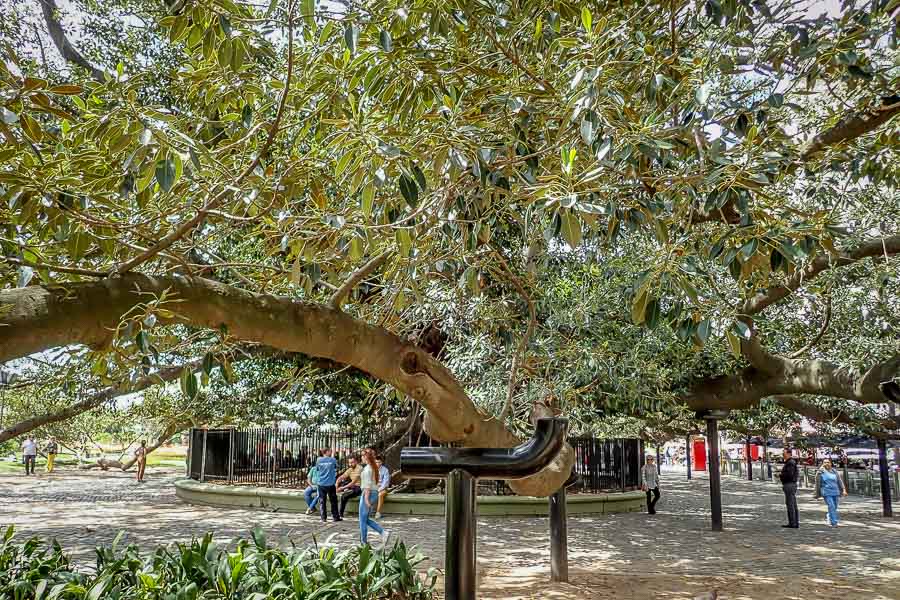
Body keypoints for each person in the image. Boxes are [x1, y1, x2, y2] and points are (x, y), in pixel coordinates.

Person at [358, 449, 390, 547]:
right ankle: (382, 533)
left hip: (368, 493)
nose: (361, 458)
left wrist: (366, 499)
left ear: (366, 457)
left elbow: (367, 486)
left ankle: (364, 542)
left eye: (362, 456)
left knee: (362, 520)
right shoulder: (373, 467)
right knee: (365, 519)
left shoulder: (368, 469)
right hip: (373, 492)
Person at [814, 458, 847, 527]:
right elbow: (817, 483)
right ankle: (834, 522)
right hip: (826, 492)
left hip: (835, 492)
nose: (827, 464)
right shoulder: (820, 472)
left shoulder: (834, 471)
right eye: (825, 462)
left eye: (828, 462)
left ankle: (829, 518)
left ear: (831, 463)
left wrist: (843, 489)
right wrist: (817, 494)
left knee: (834, 507)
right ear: (823, 464)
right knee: (831, 506)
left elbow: (839, 481)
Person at [316, 448, 341, 522]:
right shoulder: (333, 460)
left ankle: (323, 517)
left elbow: (317, 469)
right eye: (330, 451)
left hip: (321, 483)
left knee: (322, 501)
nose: (331, 452)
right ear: (326, 452)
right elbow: (337, 467)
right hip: (330, 483)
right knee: (333, 501)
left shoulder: (318, 460)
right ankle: (335, 517)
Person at [779, 448, 800, 528]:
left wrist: (781, 475)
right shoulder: (790, 462)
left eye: (784, 453)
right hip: (790, 484)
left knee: (790, 504)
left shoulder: (790, 463)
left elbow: (789, 475)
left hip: (789, 484)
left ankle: (793, 522)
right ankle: (794, 522)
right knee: (792, 504)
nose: (783, 455)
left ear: (788, 454)